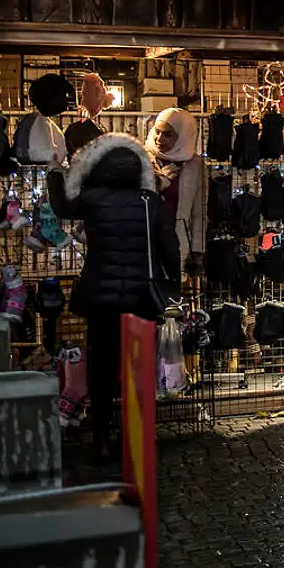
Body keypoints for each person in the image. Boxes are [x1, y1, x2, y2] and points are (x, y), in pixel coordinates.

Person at [47, 132, 180, 458]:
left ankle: (101, 438)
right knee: (138, 367)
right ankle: (136, 436)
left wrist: (54, 172)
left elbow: (62, 206)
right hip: (141, 298)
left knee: (102, 369)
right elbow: (169, 246)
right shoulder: (150, 202)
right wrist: (174, 284)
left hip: (101, 298)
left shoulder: (92, 199)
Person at [146, 107, 207, 278]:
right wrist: (158, 182)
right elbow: (132, 198)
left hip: (177, 239)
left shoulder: (194, 164)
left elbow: (199, 210)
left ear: (182, 135)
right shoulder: (142, 158)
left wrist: (197, 251)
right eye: (157, 132)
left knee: (172, 287)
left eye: (168, 134)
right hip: (146, 238)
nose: (159, 139)